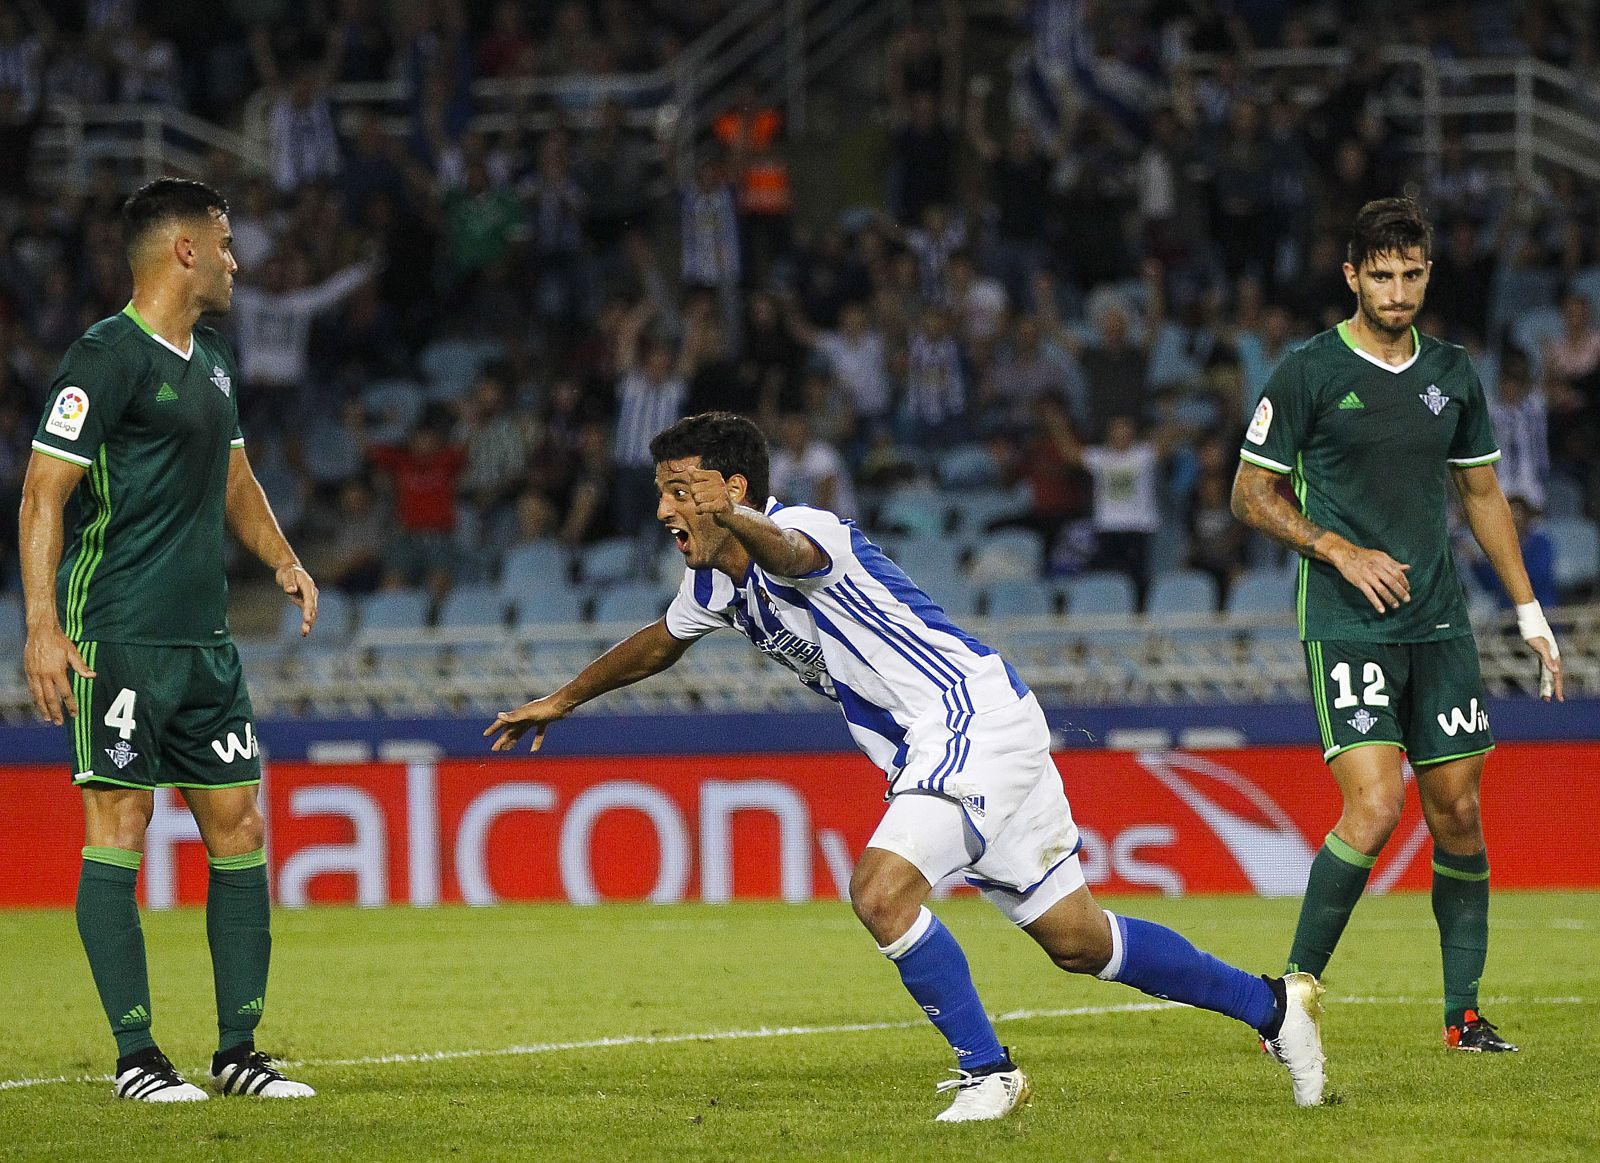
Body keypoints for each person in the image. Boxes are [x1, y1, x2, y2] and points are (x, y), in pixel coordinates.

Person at [486, 411, 1327, 1121]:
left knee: (880, 889)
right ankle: (1273, 1005)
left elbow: (786, 553)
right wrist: (563, 699)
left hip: (966, 718)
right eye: (663, 492)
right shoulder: (712, 585)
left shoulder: (805, 530)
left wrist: (736, 520)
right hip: (967, 733)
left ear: (732, 490)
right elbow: (658, 643)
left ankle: (989, 1070)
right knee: (1078, 940)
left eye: (682, 490)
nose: (666, 510)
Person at [1231, 197, 1565, 1055]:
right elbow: (1249, 494)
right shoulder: (1307, 371)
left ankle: (1463, 1016)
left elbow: (1482, 493)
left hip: (1440, 624)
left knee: (1457, 813)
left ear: (1427, 272)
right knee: (1377, 806)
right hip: (1347, 621)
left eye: (1411, 272)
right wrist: (1335, 547)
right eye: (1380, 274)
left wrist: (1528, 612)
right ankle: (1291, 1001)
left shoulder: (1451, 371)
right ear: (1352, 276)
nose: (1398, 288)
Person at [18, 178, 319, 1102]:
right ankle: (137, 1058)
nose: (236, 259)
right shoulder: (102, 357)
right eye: (224, 243)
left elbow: (235, 479)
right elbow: (42, 493)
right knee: (121, 824)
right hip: (120, 636)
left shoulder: (217, 358)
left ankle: (238, 1051)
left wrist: (281, 556)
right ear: (183, 249)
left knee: (241, 825)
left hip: (205, 646)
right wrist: (41, 626)